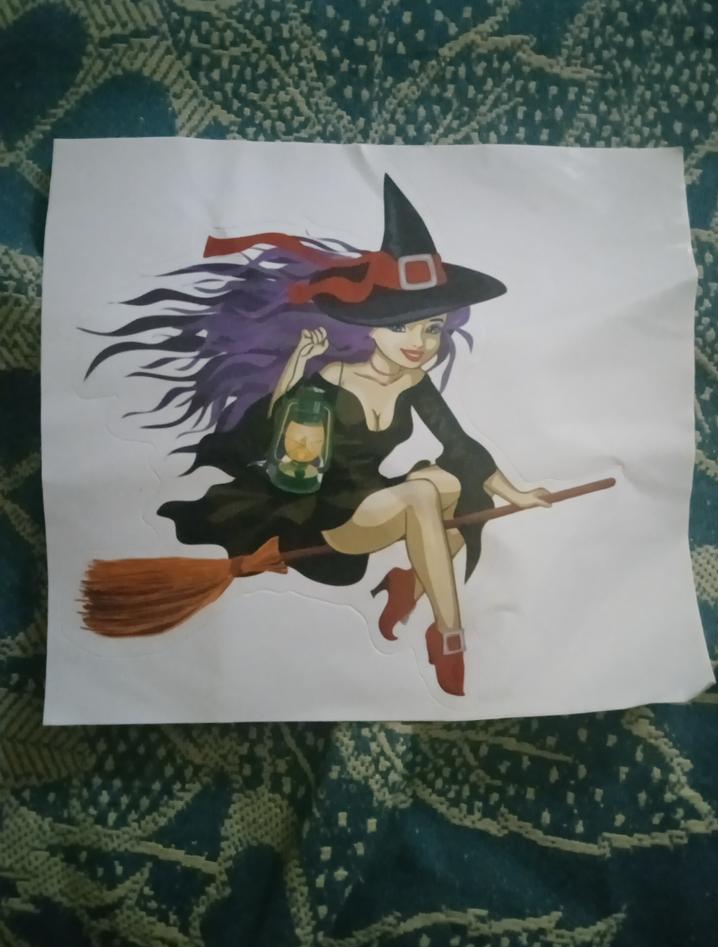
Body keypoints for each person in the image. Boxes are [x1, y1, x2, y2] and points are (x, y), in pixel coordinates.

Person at [88, 176, 550, 696]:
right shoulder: (331, 379)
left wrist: (516, 493)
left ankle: (409, 584)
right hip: (327, 514)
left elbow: (460, 446)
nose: (418, 343)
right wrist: (296, 367)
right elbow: (277, 440)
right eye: (401, 326)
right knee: (424, 492)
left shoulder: (414, 382)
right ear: (370, 327)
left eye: (431, 327)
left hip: (378, 500)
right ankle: (449, 637)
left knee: (455, 483)